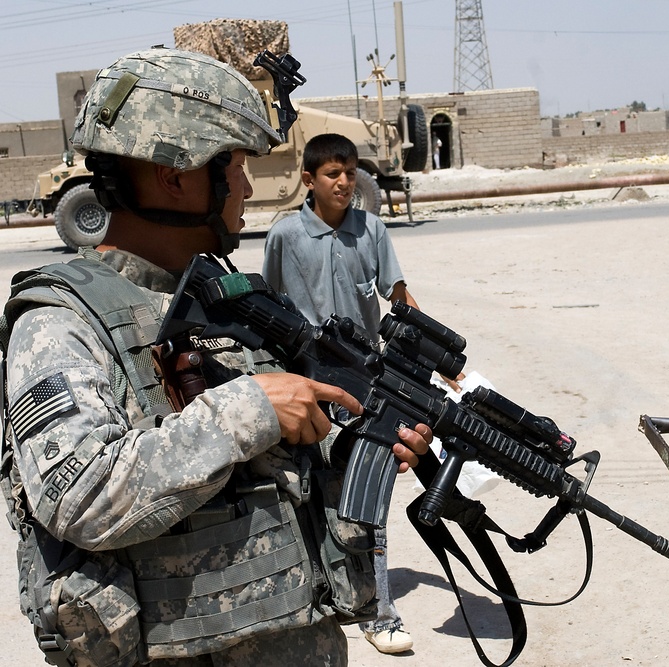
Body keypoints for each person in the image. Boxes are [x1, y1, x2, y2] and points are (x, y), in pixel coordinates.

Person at [0, 48, 431, 667]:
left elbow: (268, 472)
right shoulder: (60, 321)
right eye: (232, 167)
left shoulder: (223, 298)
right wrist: (251, 408)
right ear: (176, 177)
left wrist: (352, 445)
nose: (249, 188)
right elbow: (79, 495)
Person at [261, 133, 416, 655]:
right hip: (304, 385)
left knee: (369, 500)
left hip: (363, 385)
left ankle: (379, 610)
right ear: (309, 180)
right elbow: (271, 307)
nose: (344, 183)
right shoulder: (284, 236)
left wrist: (429, 356)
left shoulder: (371, 230)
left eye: (350, 173)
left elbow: (398, 298)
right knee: (305, 493)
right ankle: (317, 599)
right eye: (333, 174)